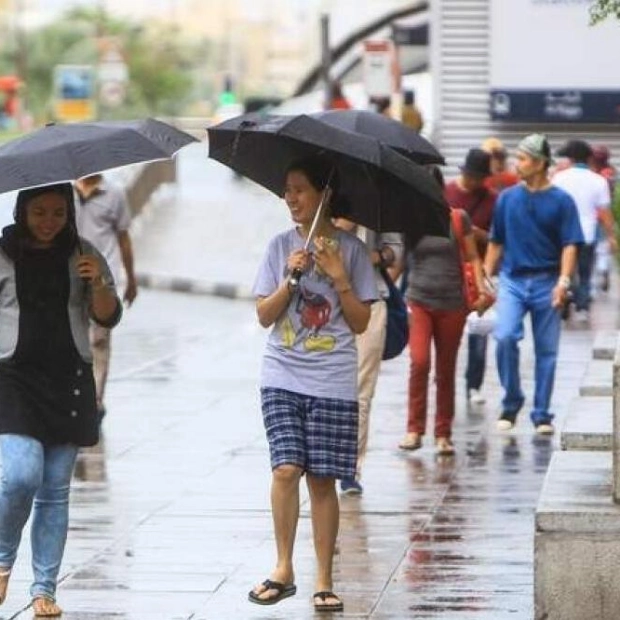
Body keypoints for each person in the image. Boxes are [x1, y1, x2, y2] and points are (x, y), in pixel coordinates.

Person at [249, 155, 377, 612]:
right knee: (286, 469)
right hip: (282, 374)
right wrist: (290, 278)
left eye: (300, 190)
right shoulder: (279, 247)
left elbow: (361, 324)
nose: (291, 198)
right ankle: (283, 568)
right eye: (287, 190)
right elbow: (264, 315)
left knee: (322, 480)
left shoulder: (353, 251)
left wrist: (340, 279)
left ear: (324, 195)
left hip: (332, 380)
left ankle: (324, 578)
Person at [0, 183, 122, 617]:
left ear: (68, 212)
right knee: (19, 475)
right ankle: (1, 559)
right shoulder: (3, 252)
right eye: (39, 212)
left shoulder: (83, 251)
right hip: (13, 379)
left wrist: (100, 282)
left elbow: (107, 315)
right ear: (21, 211)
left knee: (54, 491)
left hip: (68, 380)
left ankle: (44, 590)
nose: (49, 221)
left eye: (57, 212)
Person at [484, 134, 583, 434]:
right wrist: (485, 278)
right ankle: (511, 401)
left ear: (540, 164)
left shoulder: (562, 201)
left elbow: (570, 244)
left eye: (524, 159)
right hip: (513, 279)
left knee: (547, 351)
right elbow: (495, 241)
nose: (517, 163)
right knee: (504, 338)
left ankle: (542, 413)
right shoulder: (507, 198)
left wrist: (563, 282)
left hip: (547, 280)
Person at [400, 167, 489, 456]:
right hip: (419, 300)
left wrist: (480, 288)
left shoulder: (456, 217)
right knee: (420, 361)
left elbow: (473, 256)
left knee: (446, 370)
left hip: (453, 303)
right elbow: (399, 263)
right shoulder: (410, 221)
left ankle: (443, 433)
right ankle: (414, 429)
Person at [331, 221, 403, 495]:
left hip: (371, 302)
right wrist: (338, 226)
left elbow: (395, 250)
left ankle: (350, 468)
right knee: (327, 384)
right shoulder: (321, 198)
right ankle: (324, 458)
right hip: (327, 303)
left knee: (361, 390)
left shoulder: (378, 206)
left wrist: (372, 256)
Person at [74, 174, 137, 418]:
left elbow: (124, 239)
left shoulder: (115, 193)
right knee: (76, 339)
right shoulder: (65, 193)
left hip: (103, 278)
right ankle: (77, 393)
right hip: (71, 278)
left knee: (99, 340)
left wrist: (131, 279)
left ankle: (95, 400)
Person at [444, 148, 497, 405]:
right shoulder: (447, 193)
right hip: (450, 272)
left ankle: (473, 384)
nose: (476, 183)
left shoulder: (492, 199)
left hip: (477, 271)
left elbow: (496, 239)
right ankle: (445, 379)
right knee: (447, 332)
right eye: (472, 176)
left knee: (478, 330)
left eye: (480, 178)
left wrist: (474, 232)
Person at [552, 140, 615, 323]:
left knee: (567, 270)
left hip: (563, 235)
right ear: (588, 158)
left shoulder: (559, 178)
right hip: (588, 234)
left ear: (570, 158)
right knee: (586, 272)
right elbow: (604, 212)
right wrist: (611, 236)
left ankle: (569, 296)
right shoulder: (598, 180)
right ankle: (583, 307)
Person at [590, 144, 617, 292]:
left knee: (591, 248)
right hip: (605, 213)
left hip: (592, 214)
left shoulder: (591, 173)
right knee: (603, 246)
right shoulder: (611, 172)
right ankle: (603, 269)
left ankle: (595, 277)